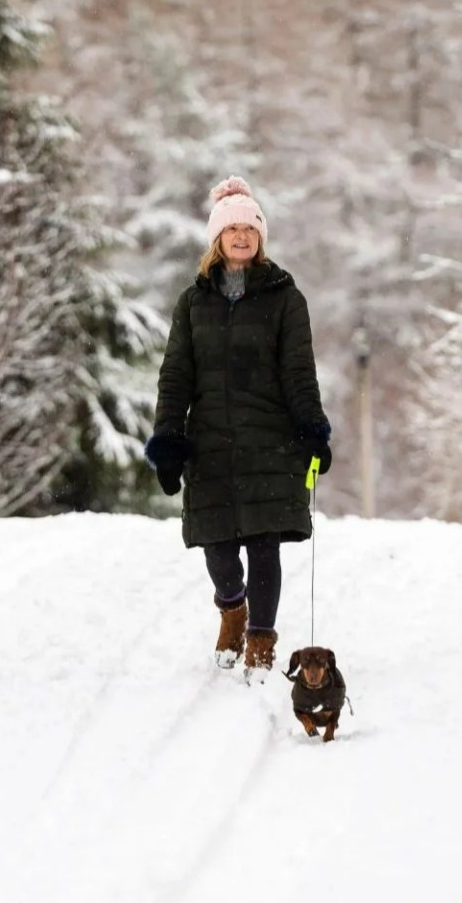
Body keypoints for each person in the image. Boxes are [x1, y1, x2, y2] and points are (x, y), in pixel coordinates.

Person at [145, 177, 332, 675]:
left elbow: (298, 371)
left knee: (264, 542)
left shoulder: (285, 298)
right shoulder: (193, 302)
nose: (242, 236)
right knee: (219, 547)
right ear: (217, 238)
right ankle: (233, 607)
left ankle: (261, 641)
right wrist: (168, 439)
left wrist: (312, 429)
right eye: (232, 229)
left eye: (250, 228)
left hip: (270, 441)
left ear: (261, 236)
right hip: (210, 442)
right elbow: (176, 374)